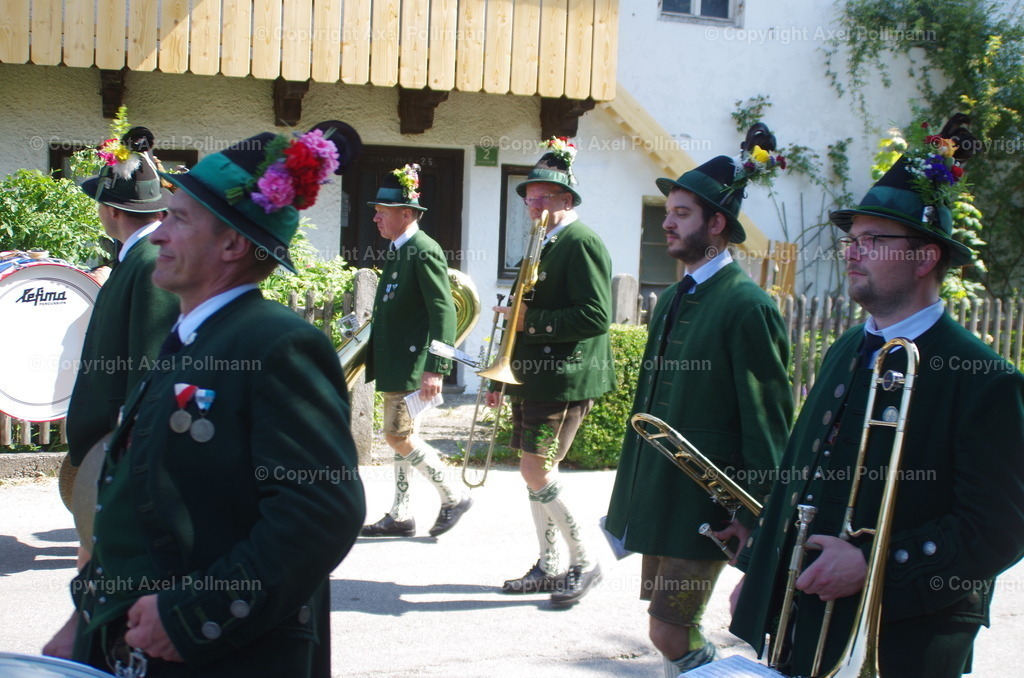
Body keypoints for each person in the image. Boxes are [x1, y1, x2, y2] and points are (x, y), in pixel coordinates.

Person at [46, 121, 367, 678]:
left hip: (223, 656)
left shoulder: (278, 344)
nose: (161, 234)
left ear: (233, 243)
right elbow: (138, 497)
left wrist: (193, 615)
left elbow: (319, 514)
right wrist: (85, 619)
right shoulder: (190, 337)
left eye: (178, 218)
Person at [730, 116, 1024, 677]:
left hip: (907, 635)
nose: (853, 252)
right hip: (805, 613)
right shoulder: (848, 348)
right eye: (852, 240)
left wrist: (874, 565)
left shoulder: (985, 379)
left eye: (874, 240)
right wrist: (758, 572)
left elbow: (998, 530)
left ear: (925, 257)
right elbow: (801, 473)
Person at [604, 127, 794, 675]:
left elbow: (768, 422)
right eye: (668, 211)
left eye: (682, 213)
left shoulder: (746, 306)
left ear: (717, 225)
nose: (667, 222)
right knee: (667, 627)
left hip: (708, 508)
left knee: (668, 631)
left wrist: (759, 513)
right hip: (659, 495)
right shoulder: (671, 299)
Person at [489, 138, 614, 608]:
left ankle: (583, 562)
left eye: (542, 197)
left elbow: (595, 316)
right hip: (535, 375)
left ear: (566, 200)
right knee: (535, 472)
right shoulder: (543, 241)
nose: (531, 204)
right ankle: (549, 564)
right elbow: (523, 307)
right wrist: (502, 375)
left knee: (535, 468)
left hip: (565, 376)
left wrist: (530, 322)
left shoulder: (581, 242)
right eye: (528, 195)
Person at [359, 164, 473, 539]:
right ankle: (401, 513)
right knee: (400, 437)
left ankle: (452, 494)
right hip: (398, 362)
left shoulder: (424, 249)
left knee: (397, 436)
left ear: (406, 214)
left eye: (382, 211)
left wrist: (436, 367)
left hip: (413, 363)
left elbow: (443, 311)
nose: (375, 217)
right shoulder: (398, 248)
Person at [66, 125, 179, 471]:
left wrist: (131, 458)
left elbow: (150, 368)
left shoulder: (153, 262)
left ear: (112, 210)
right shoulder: (139, 256)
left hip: (124, 451)